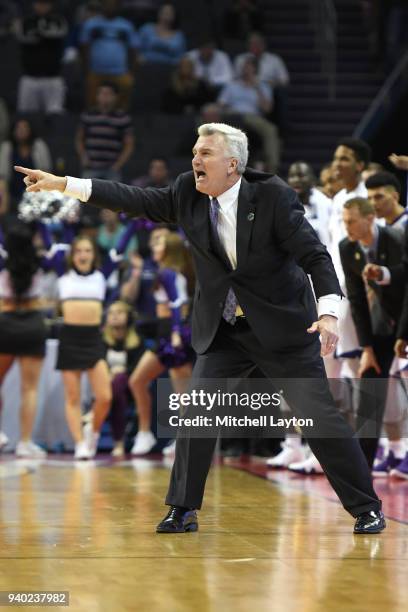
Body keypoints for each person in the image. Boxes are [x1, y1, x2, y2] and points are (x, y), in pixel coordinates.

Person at [15, 122, 385, 535]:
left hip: (282, 324)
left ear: (233, 164)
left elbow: (315, 256)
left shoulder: (273, 196)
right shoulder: (187, 192)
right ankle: (183, 509)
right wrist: (65, 184)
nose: (195, 159)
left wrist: (329, 311)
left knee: (318, 417)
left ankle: (366, 507)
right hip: (225, 329)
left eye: (205, 153)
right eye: (194, 151)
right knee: (196, 416)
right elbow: (133, 199)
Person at [340, 197, 405, 468]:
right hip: (383, 323)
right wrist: (366, 348)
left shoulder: (396, 237)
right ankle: (361, 470)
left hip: (404, 316)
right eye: (344, 222)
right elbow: (356, 299)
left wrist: (384, 273)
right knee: (369, 386)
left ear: (369, 219)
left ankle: (400, 450)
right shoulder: (347, 247)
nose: (347, 227)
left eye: (351, 221)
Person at [128, 231, 194, 455]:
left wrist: (176, 332)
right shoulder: (166, 272)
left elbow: (176, 303)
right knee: (137, 381)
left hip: (173, 330)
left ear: (169, 250)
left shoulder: (169, 272)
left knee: (181, 391)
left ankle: (184, 439)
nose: (154, 247)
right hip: (163, 331)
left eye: (159, 243)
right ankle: (144, 433)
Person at [0, 222, 48, 457]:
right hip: (32, 325)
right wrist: (42, 221)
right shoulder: (40, 261)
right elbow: (55, 246)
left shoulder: (3, 261)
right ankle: (25, 442)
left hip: (5, 323)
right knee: (29, 389)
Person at [103, 300, 145, 456]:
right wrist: (107, 373)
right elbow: (97, 362)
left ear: (128, 317)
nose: (114, 316)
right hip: (105, 384)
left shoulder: (136, 340)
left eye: (119, 313)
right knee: (114, 388)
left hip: (130, 387)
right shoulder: (102, 339)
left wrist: (121, 371)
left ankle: (118, 441)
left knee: (119, 382)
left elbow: (139, 367)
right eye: (111, 313)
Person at [80, 0, 139, 109]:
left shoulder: (126, 26)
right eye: (107, 3)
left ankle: (120, 122)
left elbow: (133, 51)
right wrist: (86, 71)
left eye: (113, 4)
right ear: (102, 5)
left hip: (120, 72)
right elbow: (84, 49)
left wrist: (131, 72)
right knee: (92, 107)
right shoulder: (90, 24)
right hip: (96, 72)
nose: (110, 6)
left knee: (122, 106)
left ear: (118, 6)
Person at [16, 0, 68, 114]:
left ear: (50, 5)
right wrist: (43, 35)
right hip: (30, 77)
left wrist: (41, 33)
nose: (42, 6)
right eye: (39, 3)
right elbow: (22, 37)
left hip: (53, 77)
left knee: (55, 114)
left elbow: (60, 34)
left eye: (45, 4)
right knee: (27, 115)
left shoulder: (58, 20)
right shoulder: (26, 21)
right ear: (34, 4)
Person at [0, 118, 51, 220]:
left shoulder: (38, 145)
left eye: (24, 127)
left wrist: (44, 199)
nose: (21, 130)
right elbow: (3, 177)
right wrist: (4, 203)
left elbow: (47, 173)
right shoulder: (7, 147)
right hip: (13, 194)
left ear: (30, 130)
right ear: (13, 131)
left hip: (35, 193)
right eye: (18, 128)